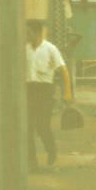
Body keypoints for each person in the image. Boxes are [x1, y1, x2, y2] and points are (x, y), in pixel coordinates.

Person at [26, 20, 72, 168]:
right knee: (27, 127)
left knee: (42, 126)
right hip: (28, 89)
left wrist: (67, 92)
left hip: (45, 91)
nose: (26, 35)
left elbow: (63, 71)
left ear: (37, 32)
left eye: (28, 32)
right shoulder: (24, 49)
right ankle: (32, 161)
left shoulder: (50, 49)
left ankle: (51, 150)